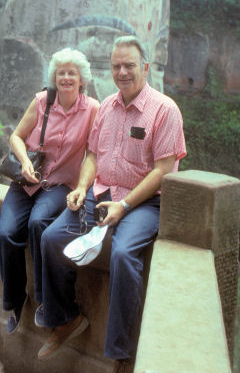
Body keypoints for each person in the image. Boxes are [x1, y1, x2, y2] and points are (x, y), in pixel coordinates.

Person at [38, 36, 186, 373]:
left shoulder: (164, 110)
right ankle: (64, 318)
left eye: (129, 65)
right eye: (116, 65)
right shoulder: (106, 106)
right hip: (101, 195)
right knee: (51, 238)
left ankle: (121, 353)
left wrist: (125, 205)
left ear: (145, 68)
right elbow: (93, 154)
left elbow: (163, 170)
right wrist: (81, 186)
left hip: (144, 203)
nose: (122, 72)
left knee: (122, 254)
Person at [0, 47, 100, 335]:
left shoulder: (92, 109)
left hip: (59, 185)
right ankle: (15, 300)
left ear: (82, 79)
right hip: (26, 180)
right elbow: (16, 135)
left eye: (72, 73)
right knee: (6, 234)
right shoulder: (42, 101)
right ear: (54, 76)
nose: (66, 77)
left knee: (38, 222)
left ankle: (45, 300)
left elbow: (93, 153)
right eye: (61, 72)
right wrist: (26, 161)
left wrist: (82, 186)